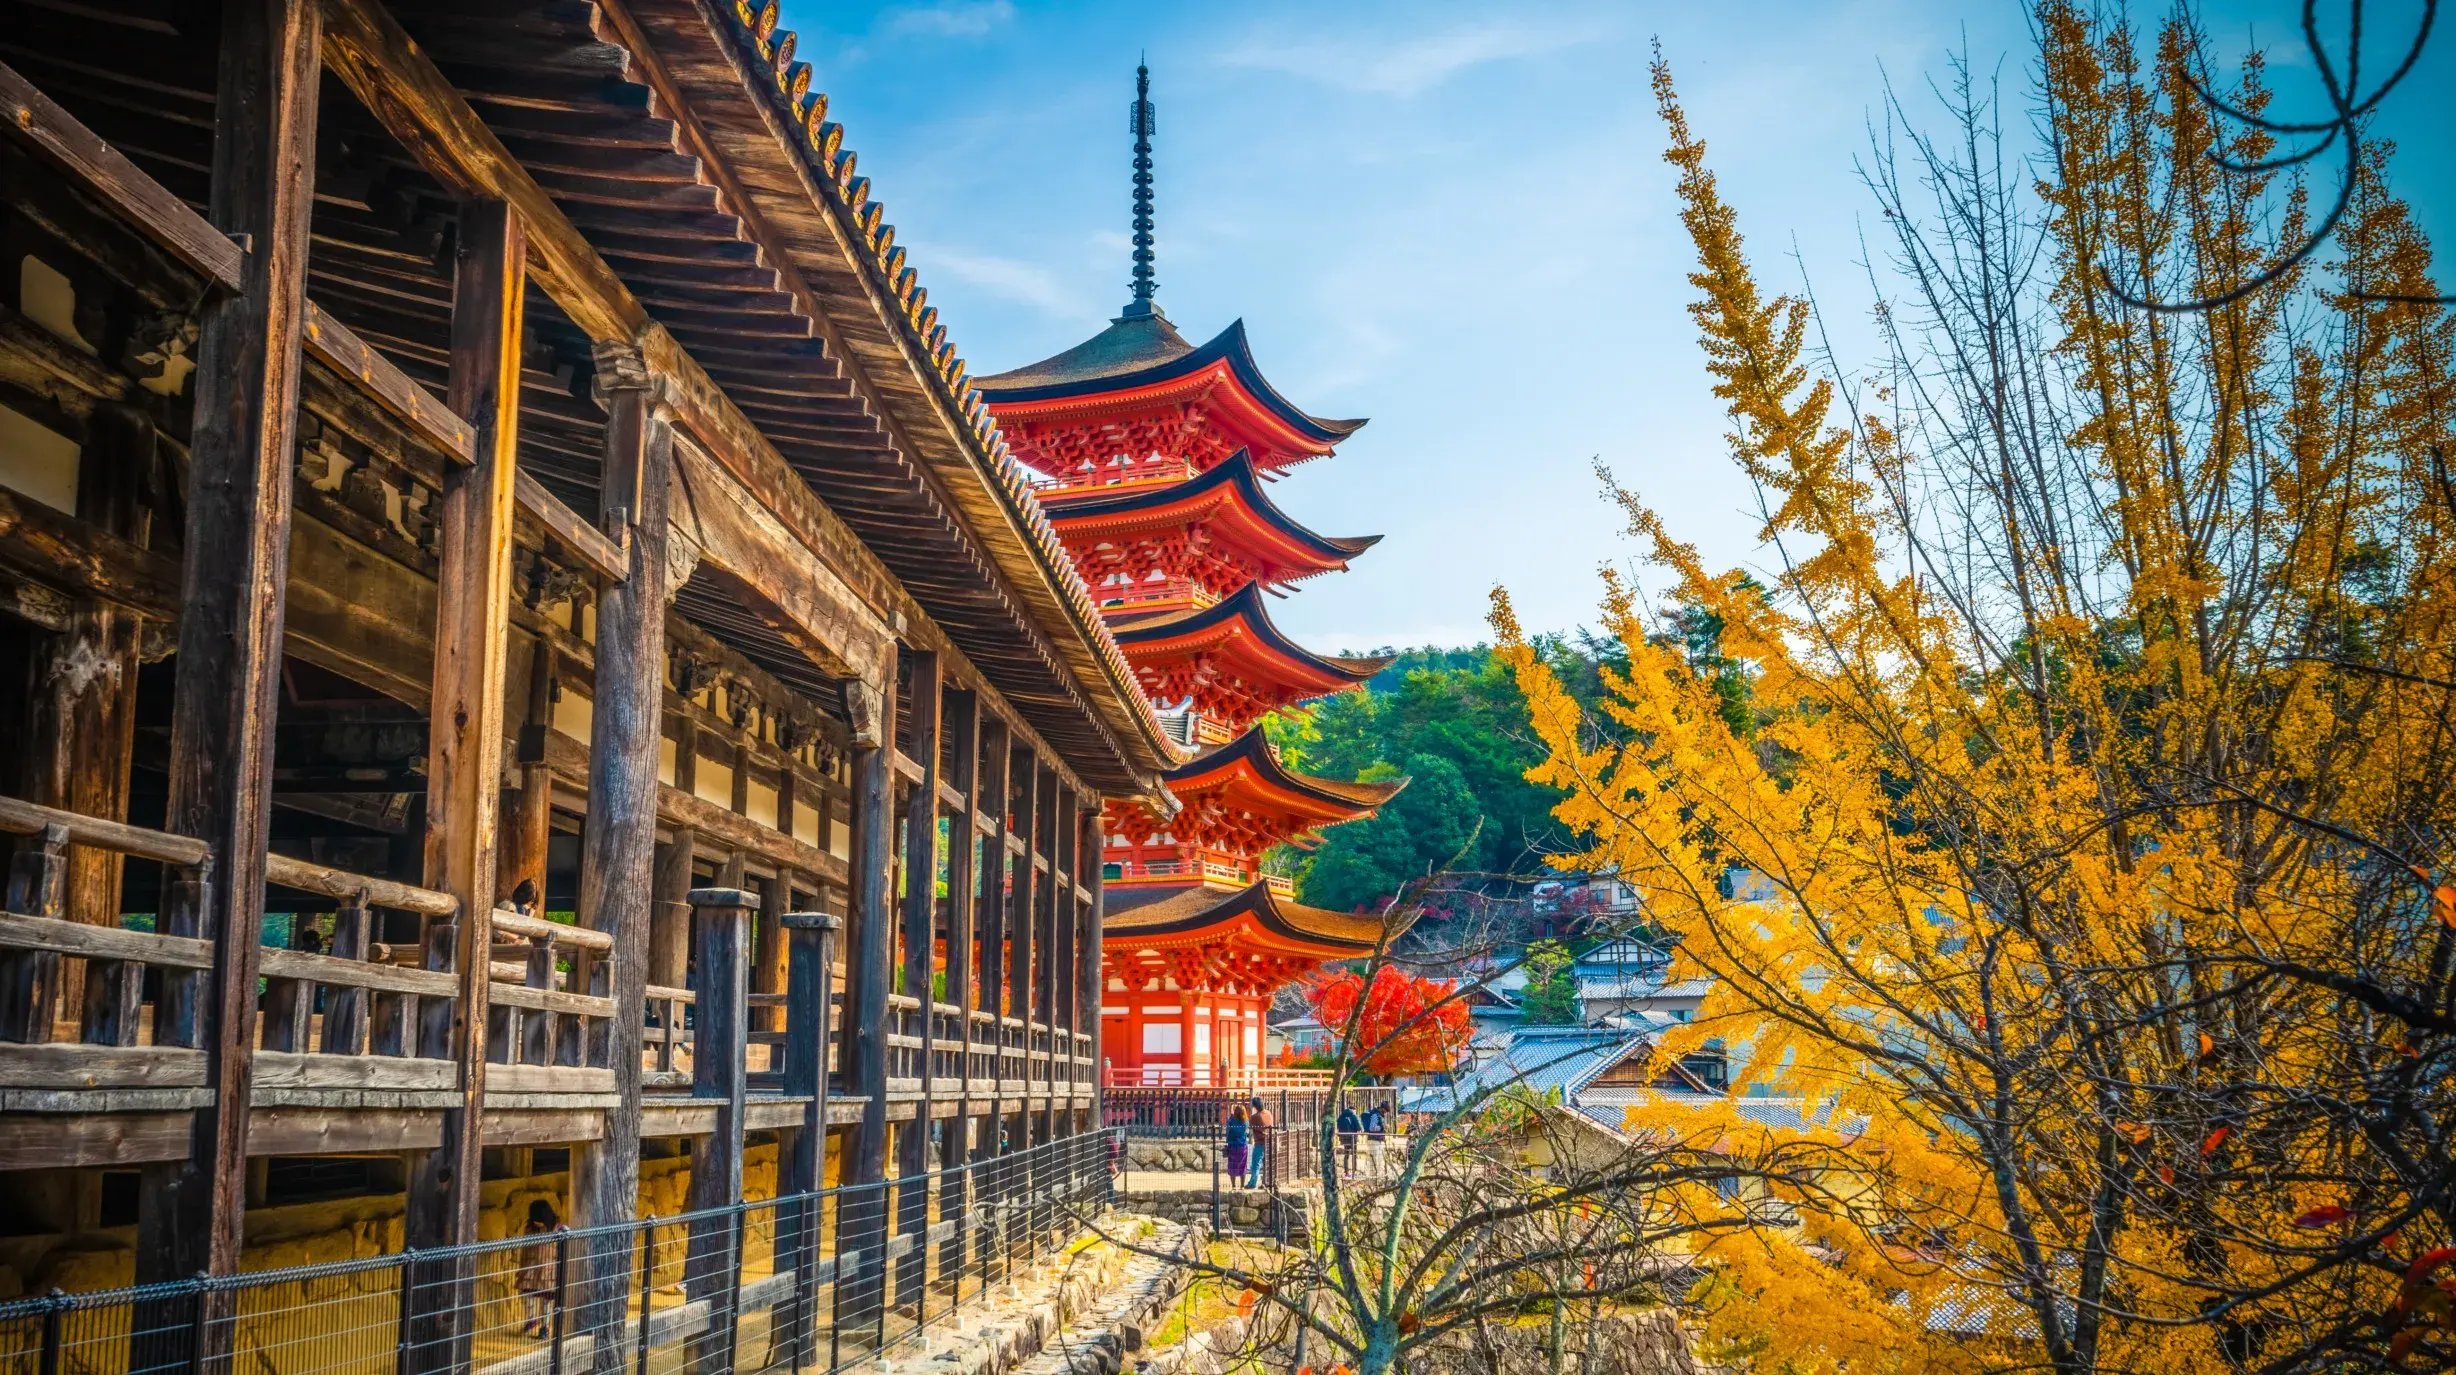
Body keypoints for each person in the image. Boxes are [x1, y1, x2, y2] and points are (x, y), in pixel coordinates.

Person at [515, 1200, 559, 1338]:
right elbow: (525, 1249)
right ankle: (532, 1318)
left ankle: (544, 1327)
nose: (536, 1222)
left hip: (549, 1269)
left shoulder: (557, 1228)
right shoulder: (529, 1228)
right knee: (526, 1292)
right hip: (531, 1266)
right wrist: (522, 1267)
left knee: (547, 1299)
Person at [1246, 1095, 1274, 1188]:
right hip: (1270, 1141)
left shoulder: (1254, 1117)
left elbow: (1250, 1128)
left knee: (1255, 1164)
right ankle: (1266, 1182)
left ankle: (1252, 1183)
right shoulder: (1269, 1113)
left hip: (1260, 1142)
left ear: (1254, 1106)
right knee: (1267, 1164)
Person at [1223, 1105, 1251, 1186]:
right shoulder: (1246, 1122)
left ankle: (1233, 1186)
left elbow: (1228, 1130)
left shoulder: (1231, 1121)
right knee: (1243, 1166)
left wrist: (1231, 1115)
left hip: (1232, 1146)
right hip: (1243, 1147)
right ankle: (1242, 1186)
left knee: (1232, 1166)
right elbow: (1247, 1133)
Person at [1336, 1104, 1362, 1177]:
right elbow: (1359, 1127)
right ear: (1354, 1110)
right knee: (1354, 1155)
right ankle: (1354, 1172)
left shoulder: (1341, 1116)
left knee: (1346, 1155)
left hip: (1344, 1138)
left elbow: (1337, 1125)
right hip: (1353, 1137)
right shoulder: (1353, 1115)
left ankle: (1346, 1172)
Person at [1362, 1103, 1388, 1172]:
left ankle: (1376, 1174)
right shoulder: (1375, 1115)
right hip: (1373, 1140)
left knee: (1378, 1159)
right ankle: (1373, 1175)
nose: (1386, 1113)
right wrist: (1382, 1127)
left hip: (1377, 1140)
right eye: (1386, 1111)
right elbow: (1372, 1128)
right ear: (1382, 1108)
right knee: (1374, 1159)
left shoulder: (1379, 1115)